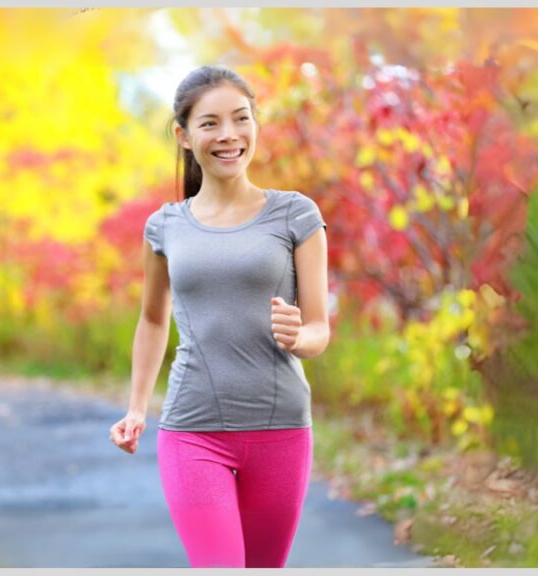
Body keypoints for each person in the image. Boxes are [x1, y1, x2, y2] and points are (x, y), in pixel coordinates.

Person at [108, 65, 330, 568]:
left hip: (280, 429)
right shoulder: (165, 226)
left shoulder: (296, 215)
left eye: (240, 118)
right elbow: (151, 319)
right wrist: (138, 407)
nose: (228, 135)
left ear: (255, 125)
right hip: (192, 430)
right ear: (185, 137)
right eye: (210, 124)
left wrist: (301, 336)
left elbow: (319, 328)